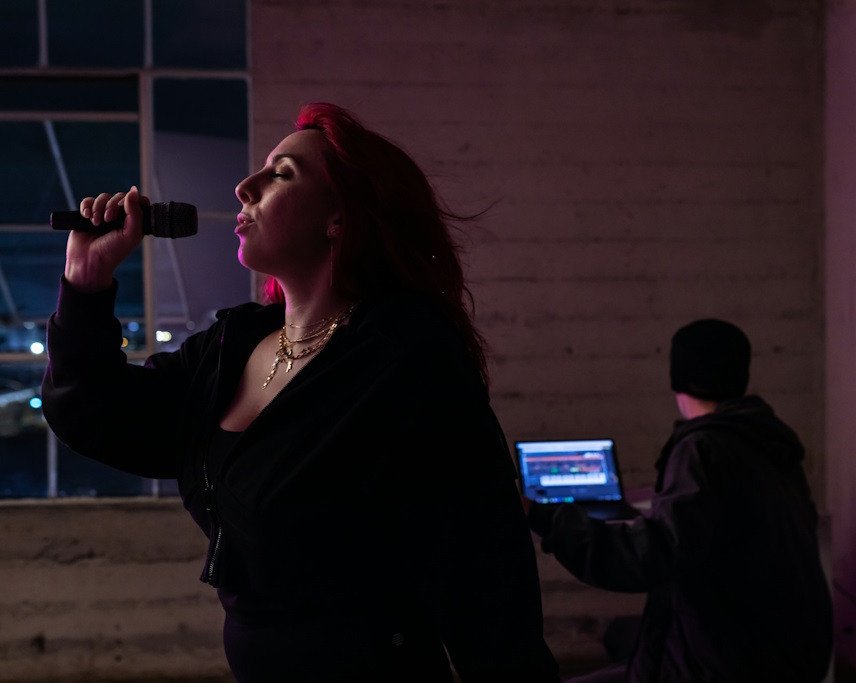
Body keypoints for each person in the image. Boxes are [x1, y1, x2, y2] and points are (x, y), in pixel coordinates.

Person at [41, 102, 559, 683]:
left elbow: (484, 572)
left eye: (281, 173)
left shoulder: (403, 357)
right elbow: (93, 413)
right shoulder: (230, 346)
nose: (244, 187)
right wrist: (86, 285)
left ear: (339, 218)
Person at [526, 319, 834, 682]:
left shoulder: (703, 448)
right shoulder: (767, 442)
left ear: (678, 378)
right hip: (785, 655)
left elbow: (648, 558)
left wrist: (547, 517)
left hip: (730, 665)